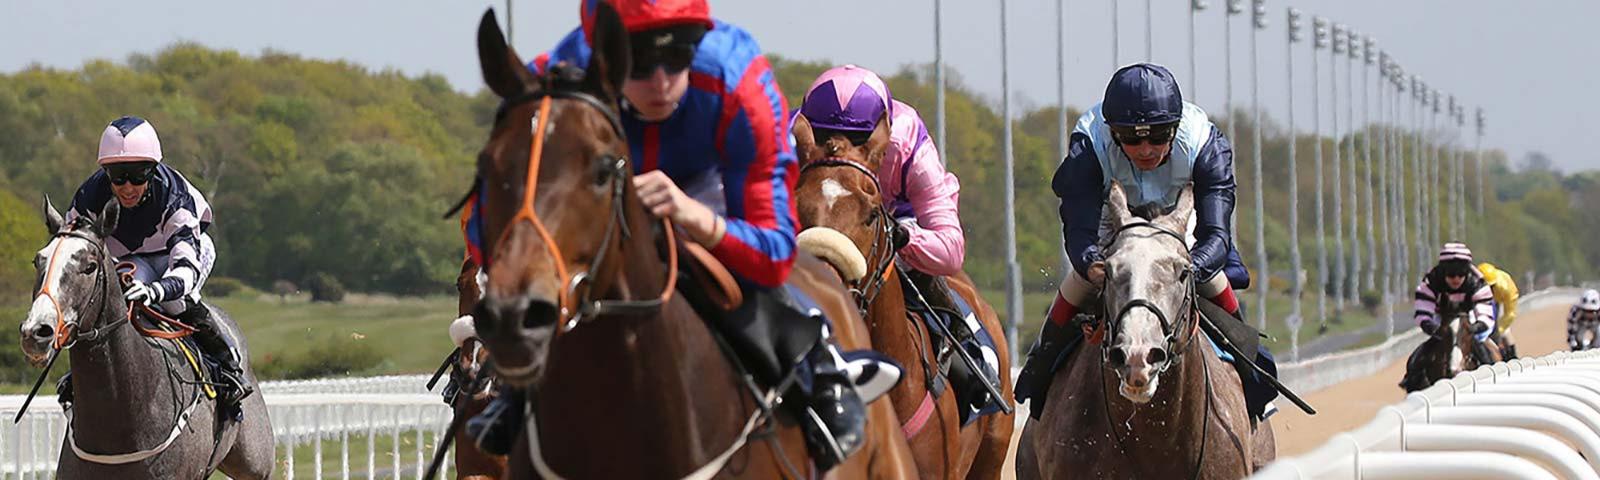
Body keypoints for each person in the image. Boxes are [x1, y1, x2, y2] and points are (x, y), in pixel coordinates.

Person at [465, 0, 886, 468]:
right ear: (605, 55)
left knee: (730, 269)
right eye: (641, 63)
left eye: (679, 55)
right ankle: (519, 390)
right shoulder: (555, 79)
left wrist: (699, 219)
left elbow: (774, 254)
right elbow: (491, 219)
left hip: (711, 180)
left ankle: (816, 365)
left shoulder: (739, 78)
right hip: (602, 174)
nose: (663, 81)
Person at [1014, 63, 1276, 421]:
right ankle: (1038, 375)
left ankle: (1254, 376)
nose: (1145, 149)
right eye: (1131, 139)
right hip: (1114, 223)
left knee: (1215, 281)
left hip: (1178, 224)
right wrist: (1091, 261)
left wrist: (1190, 268)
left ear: (1176, 127)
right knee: (1076, 285)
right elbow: (1079, 230)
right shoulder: (1090, 144)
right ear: (1112, 132)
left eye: (1157, 136)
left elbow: (1216, 236)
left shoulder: (1204, 142)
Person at [797, 65, 998, 412]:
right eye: (826, 137)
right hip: (817, 225)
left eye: (859, 143)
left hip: (895, 223)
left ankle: (974, 359)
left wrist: (898, 235)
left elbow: (950, 250)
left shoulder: (909, 141)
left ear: (882, 134)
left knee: (930, 287)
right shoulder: (789, 137)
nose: (841, 150)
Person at [59, 116, 253, 410]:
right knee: (112, 300)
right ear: (105, 172)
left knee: (174, 303)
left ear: (153, 170)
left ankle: (228, 365)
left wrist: (155, 291)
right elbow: (69, 249)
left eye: (138, 175)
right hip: (133, 258)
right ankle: (86, 373)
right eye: (118, 175)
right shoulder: (89, 195)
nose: (127, 187)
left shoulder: (174, 197)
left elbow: (185, 271)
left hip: (185, 252)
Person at [1414, 243, 1496, 364]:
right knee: (1417, 359)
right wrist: (1430, 326)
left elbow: (1485, 308)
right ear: (1443, 271)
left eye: (1461, 273)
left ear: (1467, 272)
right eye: (1451, 274)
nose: (1456, 279)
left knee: (1484, 356)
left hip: (1469, 316)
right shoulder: (1432, 281)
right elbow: (1423, 309)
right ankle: (1412, 377)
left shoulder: (1476, 281)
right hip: (1441, 318)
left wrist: (1477, 326)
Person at [1477, 262, 1521, 359]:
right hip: (1483, 302)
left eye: (1490, 287)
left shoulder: (1506, 288)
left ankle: (1512, 356)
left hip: (1500, 300)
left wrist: (1499, 331)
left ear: (1495, 284)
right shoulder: (1473, 283)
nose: (1487, 290)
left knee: (1503, 331)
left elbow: (1510, 314)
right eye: (1483, 286)